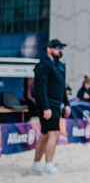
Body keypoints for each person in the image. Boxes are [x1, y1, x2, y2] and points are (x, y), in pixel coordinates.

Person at [29, 39, 71, 175]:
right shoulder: (44, 65)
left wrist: (67, 103)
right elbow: (40, 87)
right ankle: (48, 165)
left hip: (55, 103)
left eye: (62, 48)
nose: (61, 50)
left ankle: (35, 164)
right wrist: (46, 107)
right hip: (47, 104)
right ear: (49, 49)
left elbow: (62, 87)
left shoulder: (60, 65)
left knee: (45, 134)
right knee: (54, 133)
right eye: (58, 47)